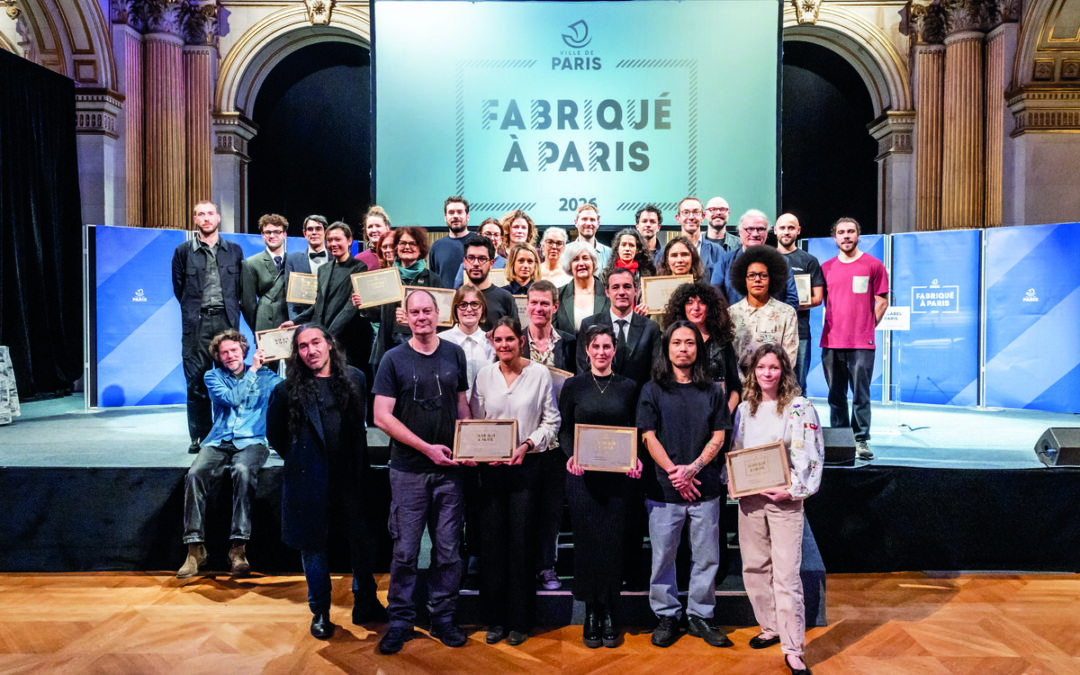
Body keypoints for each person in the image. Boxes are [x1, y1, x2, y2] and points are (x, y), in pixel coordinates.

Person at [265, 325, 384, 640]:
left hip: (351, 479)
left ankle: (366, 602)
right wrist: (303, 462)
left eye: (315, 342)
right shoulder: (285, 390)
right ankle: (320, 612)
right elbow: (275, 435)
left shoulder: (356, 378)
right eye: (302, 346)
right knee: (314, 548)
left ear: (330, 344)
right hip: (309, 481)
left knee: (361, 542)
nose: (310, 350)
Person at [372, 289, 471, 654]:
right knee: (405, 551)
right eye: (414, 312)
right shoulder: (393, 359)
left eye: (427, 311)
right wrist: (427, 448)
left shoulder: (454, 353)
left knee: (447, 551)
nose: (421, 317)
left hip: (450, 473)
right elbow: (381, 417)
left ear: (438, 313)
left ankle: (443, 618)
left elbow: (463, 406)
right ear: (407, 316)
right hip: (409, 471)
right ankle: (400, 620)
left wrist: (471, 446)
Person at [637, 320, 733, 649]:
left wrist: (692, 469)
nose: (683, 349)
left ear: (698, 348)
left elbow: (720, 434)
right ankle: (667, 614)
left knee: (707, 557)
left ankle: (700, 615)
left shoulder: (712, 391)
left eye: (689, 343)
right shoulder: (652, 389)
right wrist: (676, 474)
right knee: (663, 556)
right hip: (663, 490)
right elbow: (647, 436)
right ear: (667, 348)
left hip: (704, 487)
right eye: (677, 343)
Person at [732, 344, 824, 675]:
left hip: (785, 502)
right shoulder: (745, 409)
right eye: (761, 367)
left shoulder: (799, 407)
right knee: (755, 568)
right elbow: (737, 451)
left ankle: (794, 648)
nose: (767, 373)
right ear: (752, 372)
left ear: (783, 371)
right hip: (751, 501)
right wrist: (738, 486)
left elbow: (810, 456)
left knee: (786, 575)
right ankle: (770, 627)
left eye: (773, 367)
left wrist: (792, 491)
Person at [470, 318, 560, 646]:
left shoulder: (538, 374)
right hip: (491, 470)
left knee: (522, 544)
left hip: (527, 467)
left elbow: (552, 420)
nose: (504, 345)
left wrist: (527, 444)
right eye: (498, 340)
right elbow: (477, 421)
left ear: (521, 341)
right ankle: (495, 619)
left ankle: (521, 620)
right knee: (492, 544)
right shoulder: (484, 375)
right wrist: (482, 452)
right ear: (492, 343)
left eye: (510, 339)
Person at [560, 324, 642, 648]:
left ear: (615, 351)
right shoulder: (573, 386)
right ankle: (590, 612)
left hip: (618, 480)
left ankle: (609, 610)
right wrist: (571, 456)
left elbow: (635, 428)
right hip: (582, 479)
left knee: (612, 545)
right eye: (596, 347)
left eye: (608, 347)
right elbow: (565, 430)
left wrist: (635, 459)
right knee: (587, 544)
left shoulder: (629, 387)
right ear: (587, 351)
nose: (602, 352)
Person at [178, 329, 279, 579]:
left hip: (252, 441)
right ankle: (194, 549)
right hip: (218, 440)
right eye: (224, 353)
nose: (230, 356)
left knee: (243, 471)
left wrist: (286, 347)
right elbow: (232, 399)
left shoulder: (268, 377)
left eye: (234, 350)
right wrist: (252, 371)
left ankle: (238, 548)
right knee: (194, 474)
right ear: (218, 357)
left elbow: (293, 389)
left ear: (244, 351)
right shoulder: (213, 376)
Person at [172, 200, 244, 453]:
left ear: (218, 217)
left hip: (226, 323)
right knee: (196, 381)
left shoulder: (234, 251)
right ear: (194, 220)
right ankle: (200, 436)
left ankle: (230, 434)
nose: (206, 218)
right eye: (200, 214)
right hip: (198, 324)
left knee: (231, 380)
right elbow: (179, 290)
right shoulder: (183, 251)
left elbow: (240, 290)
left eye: (210, 213)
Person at [521, 279, 577, 592]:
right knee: (524, 509)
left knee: (552, 510)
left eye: (546, 303)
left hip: (558, 441)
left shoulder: (569, 342)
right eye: (534, 303)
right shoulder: (513, 341)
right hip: (525, 440)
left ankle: (547, 567)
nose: (539, 308)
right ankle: (523, 565)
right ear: (526, 306)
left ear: (555, 307)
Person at [820, 217, 889, 460]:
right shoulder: (826, 268)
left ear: (858, 235)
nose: (846, 236)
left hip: (862, 344)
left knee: (861, 394)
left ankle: (861, 440)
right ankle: (840, 440)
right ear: (834, 237)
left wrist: (867, 327)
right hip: (831, 343)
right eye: (841, 232)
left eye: (851, 231)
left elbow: (882, 301)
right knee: (835, 396)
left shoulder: (874, 265)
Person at [284, 222, 374, 371]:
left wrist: (326, 336)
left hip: (349, 341)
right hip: (326, 341)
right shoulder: (323, 270)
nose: (333, 244)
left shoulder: (359, 267)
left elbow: (349, 308)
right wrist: (294, 321)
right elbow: (318, 305)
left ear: (349, 240)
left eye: (338, 239)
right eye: (330, 240)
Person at [660, 281, 741, 415]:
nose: (696, 308)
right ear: (682, 307)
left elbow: (735, 386)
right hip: (682, 414)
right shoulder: (670, 341)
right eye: (690, 303)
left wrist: (726, 411)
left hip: (718, 415)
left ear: (710, 307)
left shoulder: (723, 342)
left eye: (702, 302)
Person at [576, 267, 661, 388]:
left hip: (638, 401)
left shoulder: (651, 328)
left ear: (636, 290)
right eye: (615, 287)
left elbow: (655, 374)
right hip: (600, 399)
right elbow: (582, 369)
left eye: (627, 287)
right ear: (607, 292)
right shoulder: (588, 325)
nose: (621, 292)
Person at [365, 226, 438, 367]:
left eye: (412, 243)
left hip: (421, 350)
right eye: (403, 243)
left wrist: (412, 319)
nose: (407, 247)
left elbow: (441, 319)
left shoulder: (432, 280)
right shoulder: (386, 277)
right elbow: (376, 316)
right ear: (396, 248)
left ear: (420, 247)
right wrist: (365, 304)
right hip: (387, 348)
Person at [729, 245, 799, 375]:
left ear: (771, 279)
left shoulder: (786, 313)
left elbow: (789, 357)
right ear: (744, 280)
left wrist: (770, 379)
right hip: (740, 383)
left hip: (775, 381)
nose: (757, 279)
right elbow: (729, 358)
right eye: (752, 275)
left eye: (763, 275)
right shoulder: (731, 313)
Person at [773, 213, 824, 392]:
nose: (786, 232)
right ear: (775, 230)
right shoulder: (767, 258)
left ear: (798, 231)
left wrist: (787, 307)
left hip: (799, 332)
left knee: (797, 387)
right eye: (782, 228)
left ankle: (799, 420)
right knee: (771, 385)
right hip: (770, 331)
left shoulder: (809, 261)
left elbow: (817, 298)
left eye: (791, 228)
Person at [710, 210, 799, 309]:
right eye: (750, 229)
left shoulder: (782, 262)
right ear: (740, 231)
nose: (755, 234)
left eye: (760, 229)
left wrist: (778, 320)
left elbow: (792, 299)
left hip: (773, 322)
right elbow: (715, 297)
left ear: (767, 232)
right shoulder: (724, 262)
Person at [440, 284, 495, 395]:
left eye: (475, 304)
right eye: (463, 305)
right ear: (455, 309)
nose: (469, 309)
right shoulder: (440, 341)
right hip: (451, 409)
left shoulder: (492, 343)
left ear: (483, 308)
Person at [241, 213, 290, 333]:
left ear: (284, 234)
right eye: (268, 232)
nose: (272, 236)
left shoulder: (294, 261)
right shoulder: (251, 263)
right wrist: (259, 328)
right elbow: (248, 304)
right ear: (262, 235)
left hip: (290, 325)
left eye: (277, 232)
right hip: (266, 325)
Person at [462, 234, 519, 329]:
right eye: (471, 258)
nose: (476, 263)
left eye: (482, 259)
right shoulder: (456, 297)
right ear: (465, 262)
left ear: (491, 264)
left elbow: (514, 336)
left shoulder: (505, 298)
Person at [553, 240, 609, 333]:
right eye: (575, 259)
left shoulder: (609, 294)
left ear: (593, 262)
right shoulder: (557, 295)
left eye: (585, 258)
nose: (581, 263)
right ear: (570, 265)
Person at [284, 215, 329, 319]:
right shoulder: (293, 260)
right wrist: (296, 323)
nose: (314, 232)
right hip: (304, 322)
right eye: (310, 229)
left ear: (325, 232)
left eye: (318, 228)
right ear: (305, 233)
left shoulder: (336, 258)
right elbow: (291, 301)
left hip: (331, 321)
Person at [668, 197, 722, 279]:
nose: (691, 217)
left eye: (696, 212)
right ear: (678, 218)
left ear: (703, 217)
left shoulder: (717, 251)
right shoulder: (666, 252)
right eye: (686, 212)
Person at [428, 196, 472, 288]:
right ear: (445, 217)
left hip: (474, 300)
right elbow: (433, 281)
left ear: (467, 216)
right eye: (451, 212)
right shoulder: (437, 246)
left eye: (460, 212)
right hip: (445, 301)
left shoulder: (480, 242)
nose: (455, 216)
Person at [451, 217, 507, 288]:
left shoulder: (507, 265)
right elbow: (457, 290)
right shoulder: (466, 264)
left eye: (496, 235)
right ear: (479, 235)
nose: (492, 238)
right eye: (488, 234)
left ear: (501, 239)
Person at [572, 203, 612, 268]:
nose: (588, 223)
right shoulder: (564, 252)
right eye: (584, 219)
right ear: (576, 222)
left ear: (598, 224)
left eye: (592, 220)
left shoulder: (610, 254)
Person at [356, 205, 391, 270]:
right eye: (370, 227)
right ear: (366, 231)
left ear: (387, 228)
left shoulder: (397, 255)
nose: (374, 230)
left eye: (378, 226)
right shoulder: (359, 259)